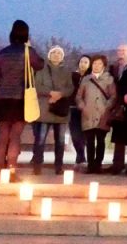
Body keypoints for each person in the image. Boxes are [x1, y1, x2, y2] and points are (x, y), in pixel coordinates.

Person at [0, 20, 45, 181]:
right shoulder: (28, 51)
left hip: (3, 98)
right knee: (15, 136)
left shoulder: (3, 53)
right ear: (26, 34)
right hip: (20, 98)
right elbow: (40, 65)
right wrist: (29, 46)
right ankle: (12, 171)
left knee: (2, 135)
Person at [33, 45, 74, 175]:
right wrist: (51, 93)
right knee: (40, 139)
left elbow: (70, 88)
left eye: (59, 53)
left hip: (60, 111)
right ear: (49, 55)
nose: (56, 55)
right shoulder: (41, 70)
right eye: (54, 52)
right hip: (45, 108)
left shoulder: (67, 72)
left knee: (60, 141)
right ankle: (37, 165)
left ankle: (59, 166)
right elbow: (36, 86)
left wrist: (60, 94)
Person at [75, 55, 115, 173]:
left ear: (104, 65)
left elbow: (113, 96)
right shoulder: (86, 79)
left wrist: (107, 106)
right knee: (90, 141)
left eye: (99, 64)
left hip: (103, 114)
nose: (96, 66)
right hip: (88, 114)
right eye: (94, 64)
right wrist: (82, 106)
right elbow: (79, 96)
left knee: (101, 140)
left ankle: (98, 165)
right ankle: (91, 165)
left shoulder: (109, 79)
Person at [68, 55, 91, 169]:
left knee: (85, 134)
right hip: (73, 108)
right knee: (75, 133)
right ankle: (80, 155)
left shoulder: (91, 77)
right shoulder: (72, 75)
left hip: (87, 109)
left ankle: (81, 157)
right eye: (82, 61)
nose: (83, 64)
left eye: (86, 62)